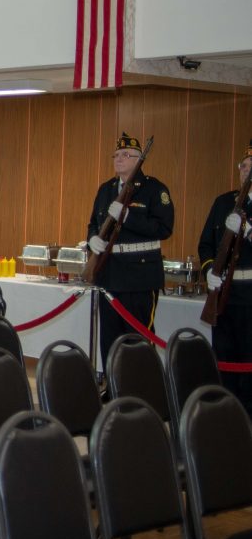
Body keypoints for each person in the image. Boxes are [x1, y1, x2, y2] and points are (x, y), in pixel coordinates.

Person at [87, 132, 174, 370]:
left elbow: (164, 228)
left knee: (138, 339)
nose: (119, 159)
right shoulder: (106, 189)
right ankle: (113, 387)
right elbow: (94, 222)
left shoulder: (154, 189)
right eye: (116, 155)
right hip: (110, 274)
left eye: (126, 155)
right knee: (110, 340)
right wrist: (92, 239)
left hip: (140, 276)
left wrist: (128, 217)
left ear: (138, 160)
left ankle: (142, 389)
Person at [199, 141, 252, 415]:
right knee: (224, 360)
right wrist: (210, 270)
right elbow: (205, 245)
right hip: (225, 296)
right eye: (244, 167)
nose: (247, 172)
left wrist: (248, 231)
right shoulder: (223, 203)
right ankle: (226, 415)